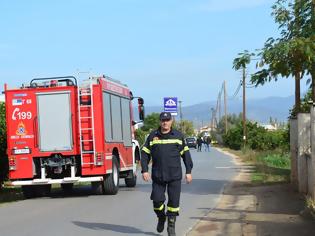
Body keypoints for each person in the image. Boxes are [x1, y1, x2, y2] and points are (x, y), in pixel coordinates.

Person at [141, 112, 193, 236]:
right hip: (158, 176)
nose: (165, 122)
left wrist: (189, 171)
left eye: (167, 120)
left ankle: (171, 226)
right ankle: (161, 217)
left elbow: (186, 154)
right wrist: (144, 170)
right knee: (157, 202)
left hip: (174, 175)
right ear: (160, 121)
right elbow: (145, 153)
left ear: (171, 121)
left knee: (174, 203)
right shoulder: (153, 136)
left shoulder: (178, 136)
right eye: (163, 120)